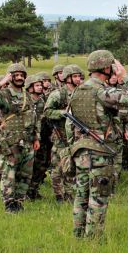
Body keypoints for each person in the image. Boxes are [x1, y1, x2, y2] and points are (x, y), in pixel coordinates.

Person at [67, 50, 128, 239]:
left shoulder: (78, 90)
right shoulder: (103, 92)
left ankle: (78, 236)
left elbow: (70, 123)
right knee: (98, 197)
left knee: (81, 196)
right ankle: (93, 239)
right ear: (106, 68)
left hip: (81, 151)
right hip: (99, 152)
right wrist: (125, 78)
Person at [0, 63, 40, 213]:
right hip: (10, 143)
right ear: (10, 77)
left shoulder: (27, 96)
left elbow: (33, 118)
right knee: (8, 175)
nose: (19, 77)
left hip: (27, 142)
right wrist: (1, 83)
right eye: (16, 75)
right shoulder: (4, 94)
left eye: (22, 75)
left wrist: (36, 137)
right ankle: (9, 204)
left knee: (25, 175)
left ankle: (19, 202)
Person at [44, 65, 83, 203]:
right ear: (67, 78)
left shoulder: (82, 93)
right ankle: (59, 195)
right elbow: (47, 112)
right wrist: (63, 113)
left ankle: (70, 194)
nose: (78, 79)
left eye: (79, 76)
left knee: (72, 167)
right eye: (75, 76)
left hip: (77, 136)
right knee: (58, 167)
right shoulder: (58, 94)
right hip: (60, 136)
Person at [25, 75, 46, 200]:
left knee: (40, 165)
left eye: (40, 85)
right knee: (27, 166)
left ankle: (33, 190)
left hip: (40, 136)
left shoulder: (42, 101)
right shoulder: (26, 101)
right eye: (37, 85)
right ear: (30, 87)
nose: (40, 87)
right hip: (28, 137)